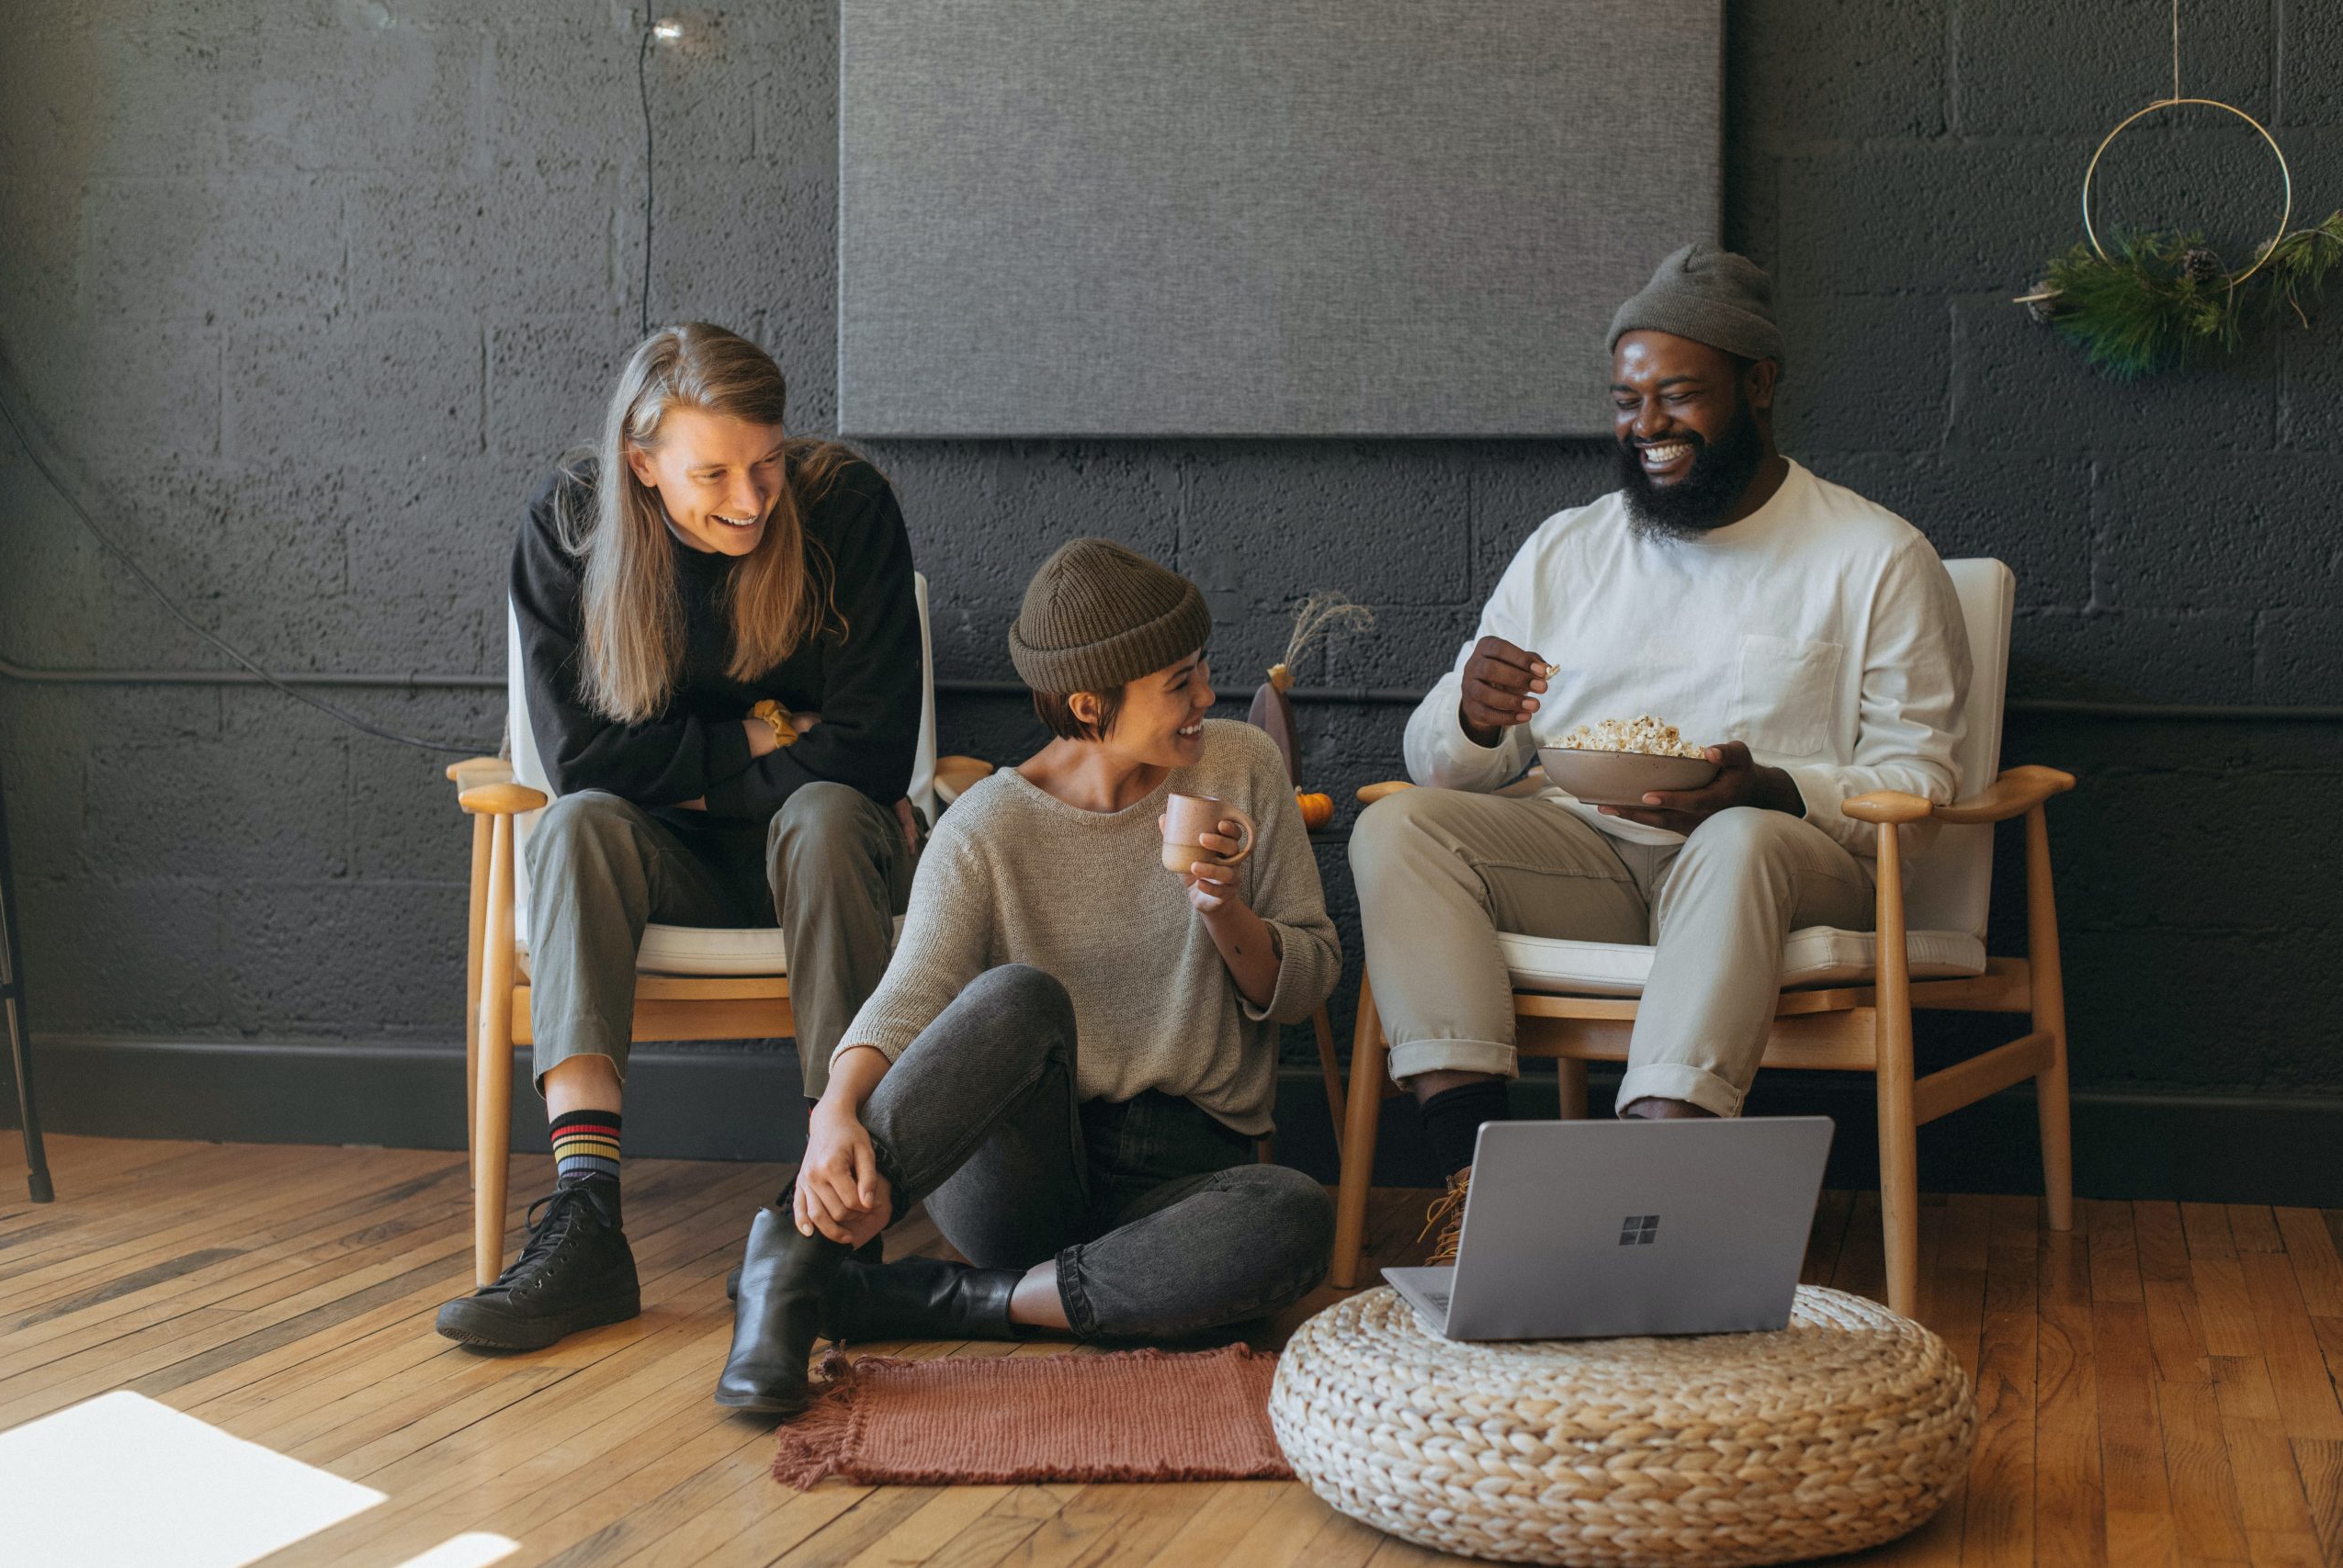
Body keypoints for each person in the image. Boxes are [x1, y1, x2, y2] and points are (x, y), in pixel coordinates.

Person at [1350, 243, 1971, 1256]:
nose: (1648, 427)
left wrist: (1772, 787)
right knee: (1400, 827)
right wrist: (1473, 714)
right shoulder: (1569, 548)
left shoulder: (1872, 557)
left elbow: (1920, 779)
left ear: (1759, 386)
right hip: (1586, 854)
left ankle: (1647, 1199)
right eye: (1626, 400)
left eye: (1678, 396)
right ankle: (1478, 1195)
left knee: (1737, 839)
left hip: (1784, 866)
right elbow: (1445, 766)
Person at [715, 538, 1340, 1416]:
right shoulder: (986, 827)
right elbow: (912, 990)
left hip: (1187, 1179)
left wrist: (1225, 908)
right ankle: (798, 1260)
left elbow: (1310, 979)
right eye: (1179, 683)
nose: (1205, 696)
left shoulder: (1240, 766)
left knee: (1293, 1215)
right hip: (1023, 1176)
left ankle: (951, 1301)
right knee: (1016, 996)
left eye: (1202, 670)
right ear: (1091, 703)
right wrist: (832, 1114)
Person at [436, 322, 923, 1351]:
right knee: (572, 829)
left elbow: (872, 759)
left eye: (767, 463)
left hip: (831, 860)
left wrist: (683, 772)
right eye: (714, 473)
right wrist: (763, 735)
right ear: (640, 462)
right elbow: (576, 762)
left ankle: (836, 1212)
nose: (752, 500)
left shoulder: (846, 509)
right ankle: (586, 1221)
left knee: (829, 814)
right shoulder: (570, 526)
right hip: (665, 870)